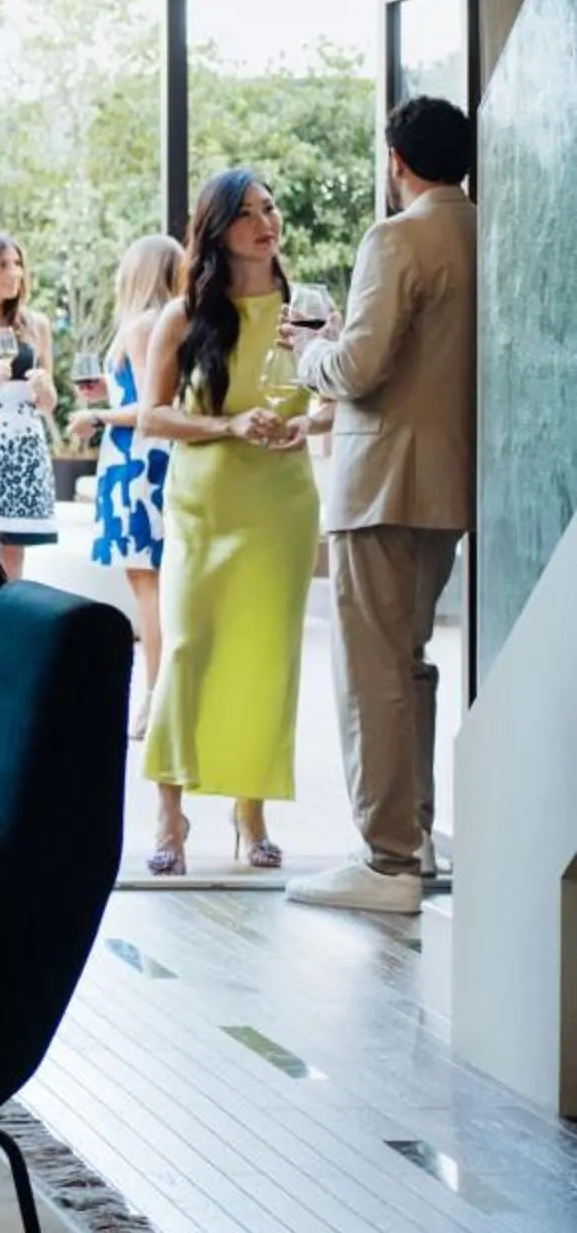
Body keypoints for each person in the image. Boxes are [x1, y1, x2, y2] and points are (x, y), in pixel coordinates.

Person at [285, 97, 476, 914]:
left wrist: (308, 357)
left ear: (397, 159)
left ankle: (389, 857)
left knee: (372, 674)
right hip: (449, 480)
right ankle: (416, 839)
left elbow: (359, 366)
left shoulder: (396, 237)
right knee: (410, 665)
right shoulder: (480, 229)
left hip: (381, 485)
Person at [131, 169, 320, 877]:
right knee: (188, 651)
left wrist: (308, 424)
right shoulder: (184, 316)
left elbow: (332, 401)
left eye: (268, 207)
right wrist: (229, 422)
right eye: (245, 214)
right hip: (206, 505)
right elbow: (151, 416)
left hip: (282, 502)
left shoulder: (306, 308)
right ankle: (168, 813)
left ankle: (251, 810)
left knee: (267, 656)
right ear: (216, 231)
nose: (264, 222)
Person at [71, 233, 186, 735]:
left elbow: (148, 408)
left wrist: (95, 417)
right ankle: (162, 697)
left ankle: (155, 701)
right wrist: (108, 392)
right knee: (153, 585)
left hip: (139, 462)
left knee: (149, 587)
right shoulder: (170, 323)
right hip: (152, 459)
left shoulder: (144, 325)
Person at [0, 233, 58, 577]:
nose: (15, 273)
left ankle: (9, 622)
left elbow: (49, 404)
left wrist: (44, 388)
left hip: (24, 442)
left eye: (18, 264)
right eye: (3, 265)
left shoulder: (35, 325)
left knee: (13, 551)